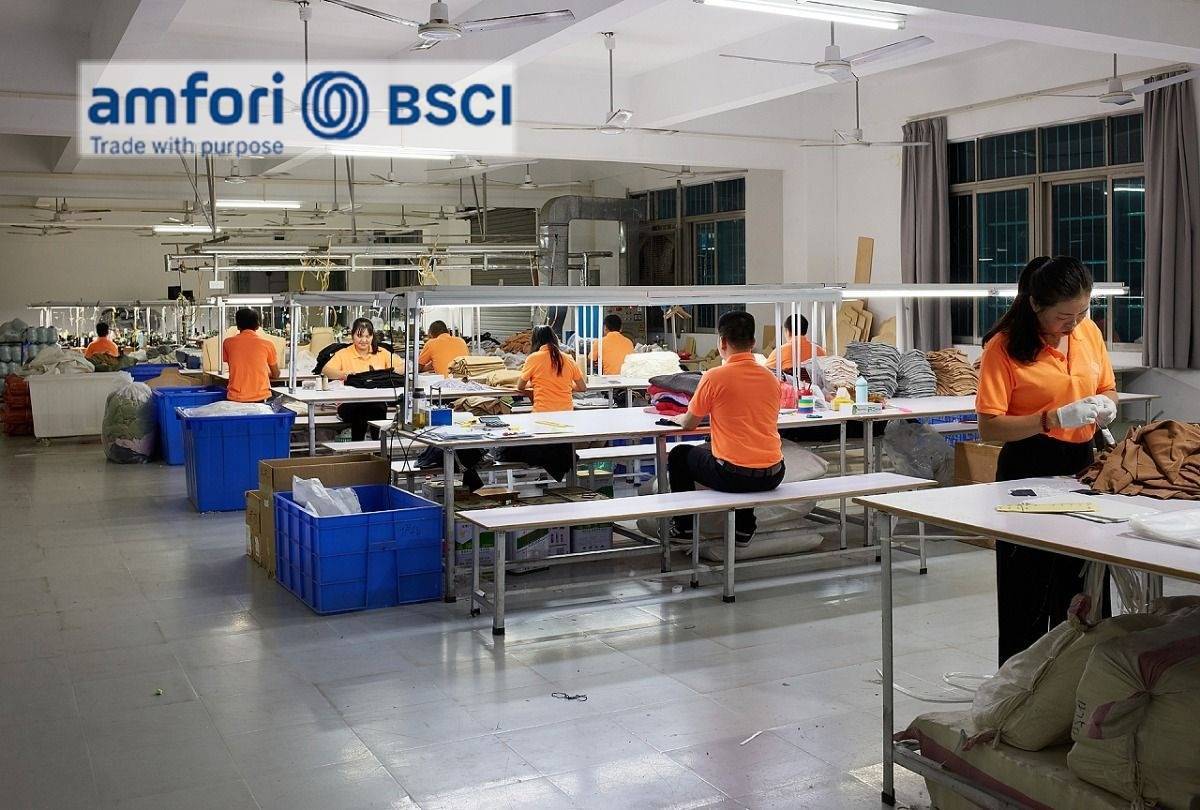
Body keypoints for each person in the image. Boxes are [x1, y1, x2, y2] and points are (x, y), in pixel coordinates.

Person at [976, 256, 1118, 665]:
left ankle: (1079, 681)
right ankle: (1020, 688)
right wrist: (1049, 419)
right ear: (1036, 304)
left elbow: (1107, 387)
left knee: (1083, 584)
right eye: (1063, 317)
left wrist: (1106, 406)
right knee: (1028, 590)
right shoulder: (1004, 347)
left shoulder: (1088, 332)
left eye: (1082, 312)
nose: (1073, 324)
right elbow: (990, 427)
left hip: (1081, 465)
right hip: (1026, 468)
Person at [667, 310, 785, 547]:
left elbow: (690, 423)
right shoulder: (771, 378)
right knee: (739, 452)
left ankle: (684, 527)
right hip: (774, 474)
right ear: (753, 342)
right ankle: (744, 527)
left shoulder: (714, 377)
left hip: (734, 477)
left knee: (680, 455)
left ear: (721, 342)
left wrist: (679, 418)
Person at [500, 326, 586, 481]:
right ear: (554, 339)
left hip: (541, 418)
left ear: (535, 341)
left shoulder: (534, 358)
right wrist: (565, 385)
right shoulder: (568, 358)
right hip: (567, 418)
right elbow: (582, 387)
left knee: (510, 447)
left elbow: (520, 386)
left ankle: (539, 469)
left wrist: (537, 384)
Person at [323, 318, 404, 441]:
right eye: (360, 336)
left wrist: (390, 373)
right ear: (352, 336)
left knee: (377, 408)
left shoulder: (381, 353)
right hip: (348, 404)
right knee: (362, 409)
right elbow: (326, 370)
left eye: (368, 336)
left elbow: (403, 366)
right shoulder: (344, 353)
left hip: (375, 403)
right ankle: (361, 445)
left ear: (372, 336)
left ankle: (378, 444)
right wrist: (344, 375)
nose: (364, 340)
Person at [222, 309, 279, 403]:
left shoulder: (228, 343)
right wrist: (264, 373)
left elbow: (237, 367)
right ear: (257, 325)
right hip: (260, 398)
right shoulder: (267, 344)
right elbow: (276, 374)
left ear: (238, 325)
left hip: (235, 398)